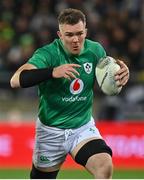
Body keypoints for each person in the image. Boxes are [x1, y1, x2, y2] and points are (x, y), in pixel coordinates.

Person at [10, 8, 129, 179]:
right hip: (50, 131)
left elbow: (110, 75)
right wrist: (52, 72)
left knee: (104, 166)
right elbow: (15, 80)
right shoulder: (48, 53)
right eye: (69, 35)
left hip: (82, 128)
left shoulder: (95, 51)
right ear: (60, 34)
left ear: (86, 31)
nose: (75, 40)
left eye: (80, 33)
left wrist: (122, 74)